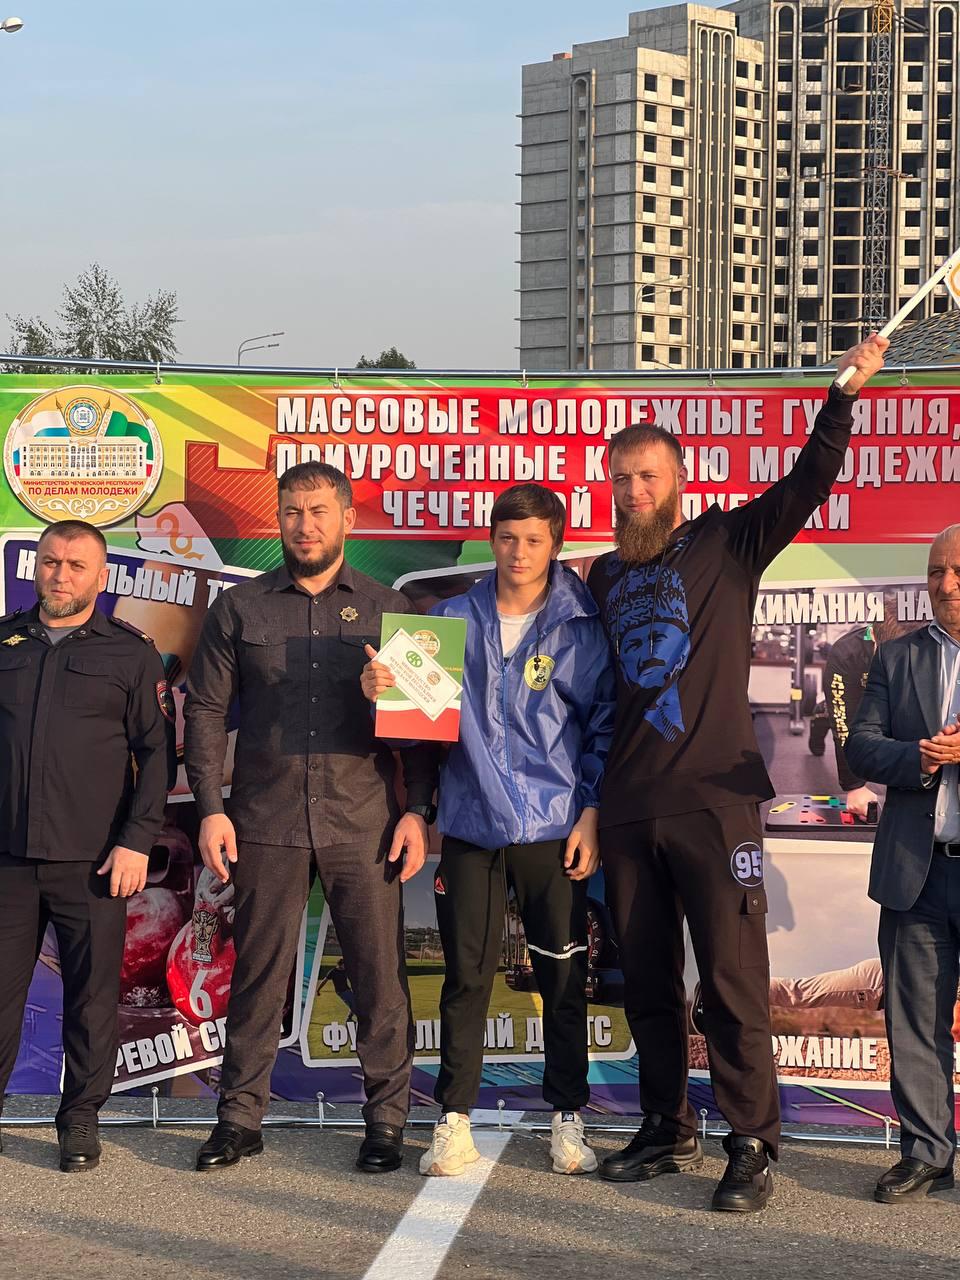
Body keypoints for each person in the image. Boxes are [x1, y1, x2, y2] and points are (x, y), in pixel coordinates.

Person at [587, 335, 888, 1212]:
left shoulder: (726, 542)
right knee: (647, 984)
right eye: (621, 479)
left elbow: (809, 483)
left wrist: (842, 396)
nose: (634, 492)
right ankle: (664, 1124)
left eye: (648, 477)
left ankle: (751, 1141)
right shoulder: (602, 576)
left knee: (730, 980)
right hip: (629, 806)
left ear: (677, 482)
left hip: (715, 803)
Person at [183, 462, 438, 1175]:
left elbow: (424, 725)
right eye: (293, 511)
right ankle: (239, 1120)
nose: (305, 525)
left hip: (365, 823)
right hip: (264, 820)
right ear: (279, 519)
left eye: (320, 511)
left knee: (379, 977)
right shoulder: (240, 609)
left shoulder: (391, 609)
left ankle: (386, 1123)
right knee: (259, 977)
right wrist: (210, 810)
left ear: (348, 519)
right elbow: (205, 712)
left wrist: (418, 812)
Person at [361, 483, 615, 1176]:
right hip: (471, 825)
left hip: (553, 826)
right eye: (507, 538)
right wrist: (382, 693)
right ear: (491, 538)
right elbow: (416, 737)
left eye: (534, 540)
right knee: (465, 978)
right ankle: (454, 1120)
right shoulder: (448, 620)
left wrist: (590, 812)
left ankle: (567, 1117)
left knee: (563, 978)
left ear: (555, 544)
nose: (519, 553)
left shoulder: (580, 625)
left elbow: (601, 728)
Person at [0, 520, 172, 1172]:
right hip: (8, 858)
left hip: (95, 861)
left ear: (102, 577)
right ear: (35, 568)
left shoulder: (130, 654)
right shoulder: (4, 642)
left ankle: (79, 1120)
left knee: (93, 999)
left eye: (76, 565)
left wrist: (136, 842)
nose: (61, 575)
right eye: (50, 562)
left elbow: (156, 757)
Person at [846, 523, 960, 1204]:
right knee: (915, 1020)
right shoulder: (897, 657)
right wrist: (919, 755)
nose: (946, 585)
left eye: (959, 571)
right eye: (936, 571)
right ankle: (927, 1151)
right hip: (917, 872)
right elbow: (861, 746)